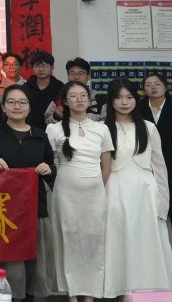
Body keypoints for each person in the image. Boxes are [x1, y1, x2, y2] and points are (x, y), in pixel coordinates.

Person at [0, 85, 56, 300]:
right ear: (3, 106)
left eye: (22, 102)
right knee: (9, 266)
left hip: (35, 209)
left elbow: (52, 169)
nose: (17, 106)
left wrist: (48, 169)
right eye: (11, 102)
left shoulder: (40, 136)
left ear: (29, 107)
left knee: (35, 263)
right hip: (3, 212)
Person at [103, 78, 172, 297]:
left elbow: (159, 167)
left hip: (145, 194)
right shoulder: (103, 129)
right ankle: (122, 293)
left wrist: (163, 204)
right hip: (114, 192)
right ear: (111, 101)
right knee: (118, 244)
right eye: (118, 98)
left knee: (146, 246)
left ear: (136, 99)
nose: (124, 102)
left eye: (129, 97)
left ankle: (148, 295)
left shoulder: (148, 127)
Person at [45, 81, 113, 302]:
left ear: (89, 99)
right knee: (69, 242)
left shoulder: (101, 128)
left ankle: (90, 296)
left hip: (95, 195)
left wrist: (95, 187)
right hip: (65, 195)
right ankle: (72, 296)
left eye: (83, 95)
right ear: (65, 101)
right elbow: (47, 162)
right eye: (73, 96)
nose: (79, 99)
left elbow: (106, 166)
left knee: (94, 243)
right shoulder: (54, 129)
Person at [139, 72, 172, 224]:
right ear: (144, 89)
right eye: (148, 85)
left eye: (157, 84)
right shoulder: (138, 108)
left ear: (166, 87)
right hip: (148, 161)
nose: (153, 87)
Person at [25, 51, 63, 131]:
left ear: (52, 67)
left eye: (45, 66)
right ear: (32, 68)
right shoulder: (24, 89)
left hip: (55, 131)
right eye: (37, 66)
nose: (41, 69)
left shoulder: (61, 88)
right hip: (29, 131)